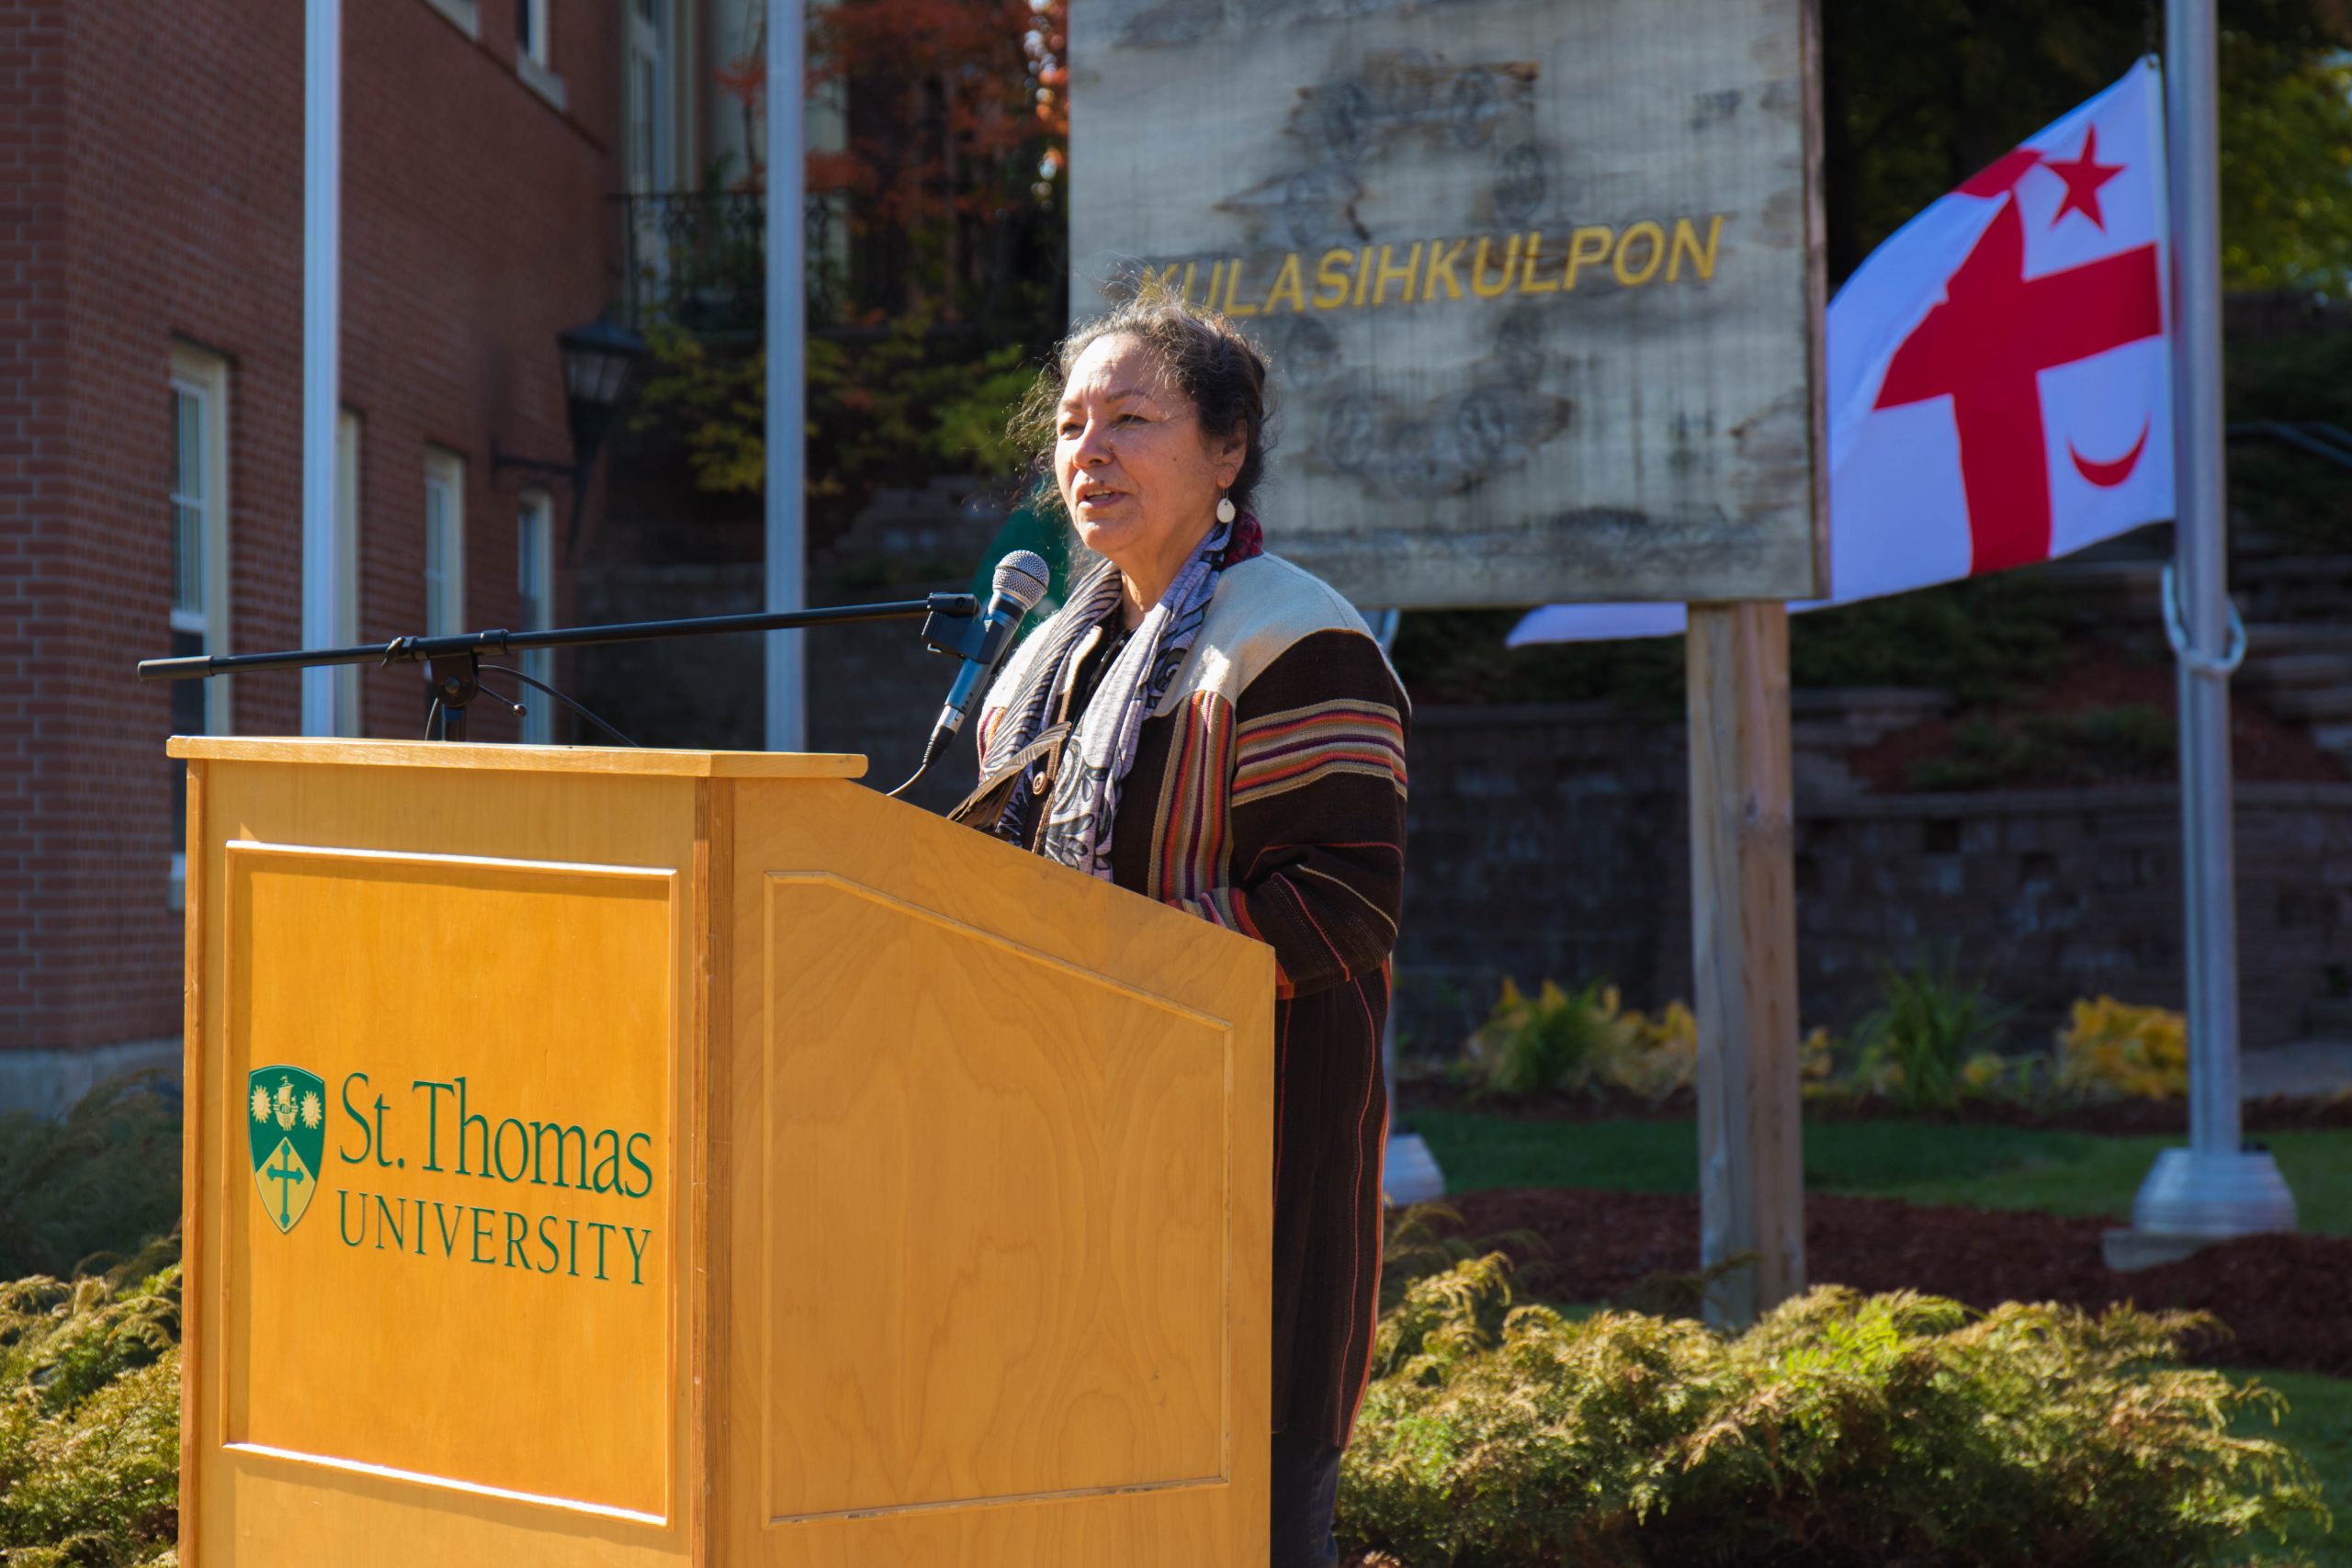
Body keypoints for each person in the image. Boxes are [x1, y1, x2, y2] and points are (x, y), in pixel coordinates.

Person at [956, 291, 1408, 1568]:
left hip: (1239, 1186)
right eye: (1070, 424)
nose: (1087, 450)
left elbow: (1343, 905)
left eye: (1131, 420)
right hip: (1052, 1176)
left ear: (1227, 450)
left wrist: (1099, 956)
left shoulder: (1296, 642)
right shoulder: (1046, 661)